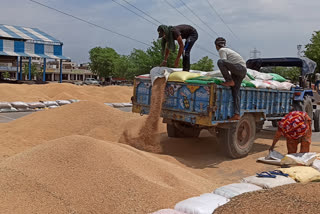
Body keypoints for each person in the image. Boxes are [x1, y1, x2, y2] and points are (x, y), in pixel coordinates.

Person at [215, 37, 247, 120]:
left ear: (216, 46)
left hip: (238, 69)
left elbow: (223, 62)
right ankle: (237, 114)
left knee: (220, 62)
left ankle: (229, 81)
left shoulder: (222, 50)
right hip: (241, 71)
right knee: (235, 91)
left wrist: (227, 78)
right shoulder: (228, 50)